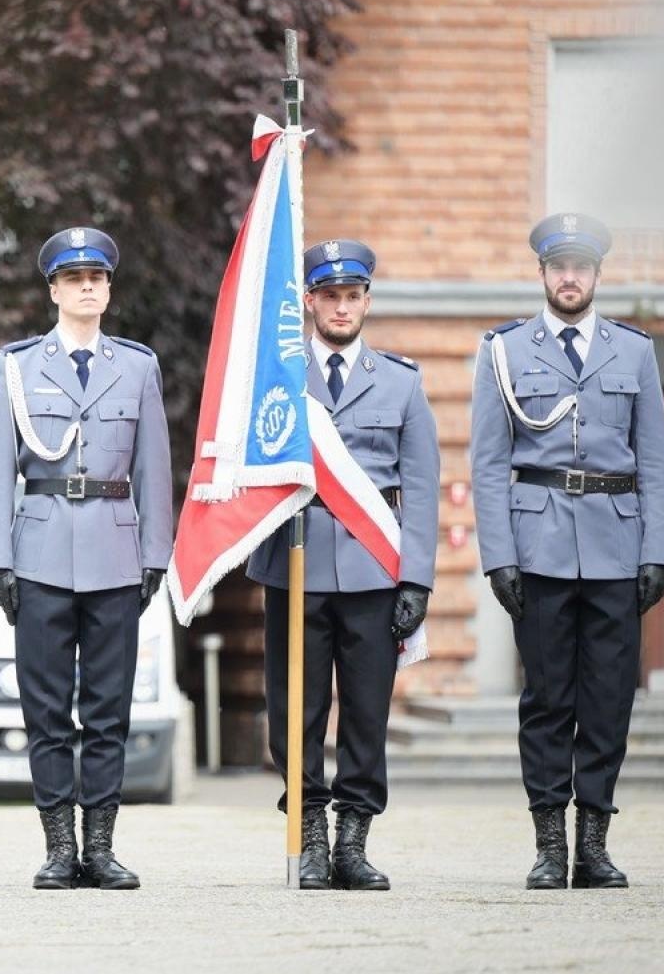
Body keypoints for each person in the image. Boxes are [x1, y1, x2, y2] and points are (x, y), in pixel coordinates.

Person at [470, 213, 664, 889]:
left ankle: (594, 844)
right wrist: (499, 555)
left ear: (595, 275)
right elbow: (488, 462)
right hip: (540, 546)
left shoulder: (635, 351)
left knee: (609, 699)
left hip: (617, 546)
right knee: (548, 697)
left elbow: (654, 460)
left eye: (580, 266)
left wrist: (658, 552)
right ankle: (550, 843)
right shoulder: (506, 351)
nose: (568, 277)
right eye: (558, 265)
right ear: (542, 273)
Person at [0, 226, 173, 890]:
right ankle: (60, 849)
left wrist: (156, 554)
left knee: (109, 710)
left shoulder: (138, 366)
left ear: (109, 290)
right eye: (74, 278)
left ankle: (103, 848)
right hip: (39, 551)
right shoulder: (16, 367)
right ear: (54, 289)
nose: (87, 286)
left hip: (117, 552)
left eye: (97, 278)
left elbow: (154, 468)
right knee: (48, 709)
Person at [247, 239, 439, 890]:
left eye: (352, 295)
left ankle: (353, 841)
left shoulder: (402, 380)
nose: (340, 305)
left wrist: (416, 578)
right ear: (310, 300)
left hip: (371, 569)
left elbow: (421, 484)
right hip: (293, 563)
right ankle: (310, 836)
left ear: (366, 300)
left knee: (364, 712)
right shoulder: (278, 375)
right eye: (329, 295)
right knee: (293, 713)